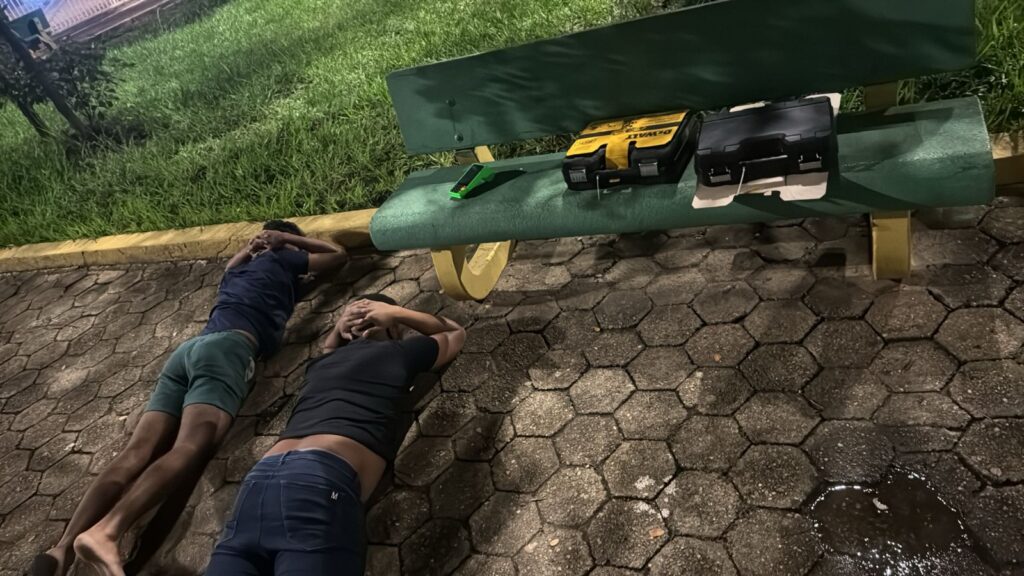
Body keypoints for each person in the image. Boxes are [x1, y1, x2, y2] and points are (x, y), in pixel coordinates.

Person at [31, 220, 348, 576]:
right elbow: (338, 255)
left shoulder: (238, 272)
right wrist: (286, 240)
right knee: (191, 446)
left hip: (188, 352)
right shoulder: (282, 258)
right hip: (228, 351)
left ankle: (61, 549)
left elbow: (269, 280)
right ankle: (106, 532)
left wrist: (253, 247)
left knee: (136, 451)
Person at [203, 294, 466, 576]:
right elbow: (455, 333)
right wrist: (399, 312)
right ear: (392, 330)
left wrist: (340, 326)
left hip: (258, 484)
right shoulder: (398, 353)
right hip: (319, 481)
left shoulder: (320, 366)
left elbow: (328, 347)